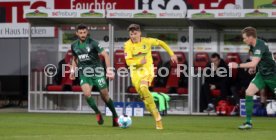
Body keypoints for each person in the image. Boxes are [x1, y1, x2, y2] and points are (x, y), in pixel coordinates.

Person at [123, 24, 178, 130]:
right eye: (131, 34)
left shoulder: (147, 41)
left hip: (148, 71)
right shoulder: (127, 45)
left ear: (140, 33)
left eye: (135, 33)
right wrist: (139, 61)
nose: (133, 36)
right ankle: (155, 115)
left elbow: (161, 43)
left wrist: (172, 54)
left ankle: (157, 117)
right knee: (146, 101)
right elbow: (128, 61)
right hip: (135, 74)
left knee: (144, 87)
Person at [70, 24, 119, 127]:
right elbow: (75, 58)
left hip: (98, 72)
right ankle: (97, 112)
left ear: (87, 32)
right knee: (87, 94)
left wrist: (109, 71)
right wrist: (72, 71)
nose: (83, 34)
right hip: (84, 73)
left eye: (84, 32)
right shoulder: (74, 45)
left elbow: (105, 55)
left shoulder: (93, 43)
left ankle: (115, 116)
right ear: (77, 33)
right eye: (80, 33)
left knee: (105, 96)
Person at [229, 26, 276, 130]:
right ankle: (248, 123)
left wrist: (237, 65)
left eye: (245, 37)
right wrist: (253, 67)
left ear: (251, 37)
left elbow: (254, 61)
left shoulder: (260, 45)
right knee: (249, 92)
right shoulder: (252, 46)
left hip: (273, 75)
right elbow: (256, 61)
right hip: (262, 75)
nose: (243, 39)